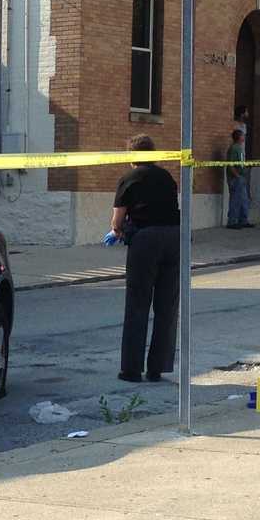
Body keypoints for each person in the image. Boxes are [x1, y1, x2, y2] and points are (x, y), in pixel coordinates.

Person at [110, 134, 180, 383]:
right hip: (174, 238)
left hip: (146, 240)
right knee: (167, 306)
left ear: (132, 156)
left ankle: (131, 370)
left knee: (138, 304)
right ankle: (157, 368)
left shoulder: (129, 178)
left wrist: (116, 231)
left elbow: (118, 219)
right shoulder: (167, 177)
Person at [225, 129, 252, 229]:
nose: (244, 137)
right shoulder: (233, 148)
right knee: (235, 200)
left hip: (242, 177)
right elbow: (230, 164)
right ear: (239, 137)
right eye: (243, 136)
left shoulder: (240, 148)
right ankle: (232, 221)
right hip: (236, 178)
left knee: (244, 199)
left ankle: (243, 220)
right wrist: (237, 176)